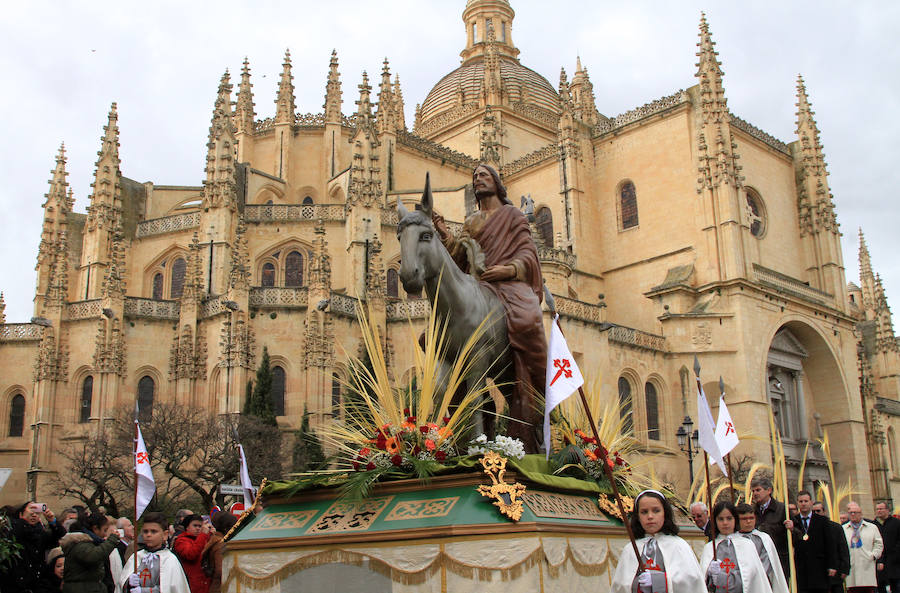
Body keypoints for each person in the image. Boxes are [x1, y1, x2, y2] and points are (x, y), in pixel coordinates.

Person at [432, 163, 547, 452]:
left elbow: (528, 254)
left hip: (509, 284)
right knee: (437, 332)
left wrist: (508, 270)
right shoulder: (472, 221)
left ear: (496, 183)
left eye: (484, 176)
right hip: (478, 286)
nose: (478, 180)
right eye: (475, 177)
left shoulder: (513, 215)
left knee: (528, 318)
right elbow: (460, 257)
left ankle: (536, 372)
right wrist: (445, 235)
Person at [611, 490, 704, 592]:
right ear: (637, 516)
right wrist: (637, 582)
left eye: (656, 511)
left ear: (665, 513)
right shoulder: (630, 549)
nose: (650, 516)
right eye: (644, 512)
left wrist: (658, 580)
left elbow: (691, 581)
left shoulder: (679, 546)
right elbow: (621, 586)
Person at [700, 501, 773, 593]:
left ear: (735, 519)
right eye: (721, 519)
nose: (725, 523)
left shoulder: (746, 544)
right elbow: (702, 584)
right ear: (715, 521)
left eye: (729, 518)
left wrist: (721, 577)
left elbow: (750, 577)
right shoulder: (710, 548)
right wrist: (710, 575)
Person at [120, 512, 190, 593]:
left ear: (165, 535)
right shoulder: (136, 557)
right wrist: (128, 582)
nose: (148, 535)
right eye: (145, 531)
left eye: (153, 531)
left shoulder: (170, 560)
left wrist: (144, 591)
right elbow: (121, 585)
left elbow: (171, 588)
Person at [9, 501, 67, 593]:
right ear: (21, 514)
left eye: (37, 513)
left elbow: (60, 535)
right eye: (31, 510)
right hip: (16, 583)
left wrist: (52, 521)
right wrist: (23, 520)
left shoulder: (40, 533)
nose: (34, 515)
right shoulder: (13, 528)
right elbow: (17, 532)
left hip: (37, 584)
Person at [788, 490, 838, 593]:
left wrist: (832, 565)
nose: (803, 504)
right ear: (797, 503)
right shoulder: (794, 521)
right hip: (801, 567)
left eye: (806, 501)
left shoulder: (822, 521)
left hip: (819, 566)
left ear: (811, 502)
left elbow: (830, 544)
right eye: (801, 501)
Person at [59, 511, 120, 593]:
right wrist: (112, 540)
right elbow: (94, 556)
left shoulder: (90, 544)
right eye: (105, 530)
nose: (105, 535)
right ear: (95, 528)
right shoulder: (80, 544)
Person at [737, 502, 789, 593]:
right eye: (744, 519)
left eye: (751, 518)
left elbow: (768, 562)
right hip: (739, 582)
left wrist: (756, 575)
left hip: (762, 582)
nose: (748, 522)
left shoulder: (763, 538)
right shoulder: (732, 540)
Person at [752, 477, 790, 577]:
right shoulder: (751, 512)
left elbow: (797, 535)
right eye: (753, 491)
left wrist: (792, 528)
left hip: (778, 559)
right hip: (758, 560)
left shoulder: (782, 509)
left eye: (758, 490)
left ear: (769, 490)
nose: (755, 493)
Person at [843, 501, 884, 593]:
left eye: (855, 512)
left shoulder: (872, 527)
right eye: (850, 513)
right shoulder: (843, 528)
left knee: (868, 589)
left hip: (867, 565)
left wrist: (873, 555)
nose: (853, 514)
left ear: (861, 514)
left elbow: (879, 544)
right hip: (851, 567)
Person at [813, 500, 850, 593]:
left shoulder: (835, 527)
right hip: (818, 573)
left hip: (835, 572)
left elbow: (843, 549)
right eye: (813, 512)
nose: (816, 514)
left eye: (818, 511)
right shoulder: (810, 528)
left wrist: (845, 569)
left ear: (824, 511)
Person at [172, 514, 212, 593]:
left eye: (200, 526)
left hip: (205, 584)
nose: (198, 528)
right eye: (195, 525)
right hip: (192, 585)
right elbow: (191, 554)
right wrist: (203, 535)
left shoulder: (203, 538)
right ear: (187, 527)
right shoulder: (181, 540)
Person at [202, 512, 237, 593]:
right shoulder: (220, 544)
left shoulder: (215, 539)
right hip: (220, 588)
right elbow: (221, 570)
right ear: (226, 528)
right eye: (233, 527)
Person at [873, 501, 899, 593]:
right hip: (879, 564)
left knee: (896, 586)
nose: (879, 511)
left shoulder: (896, 523)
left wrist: (894, 556)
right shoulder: (873, 525)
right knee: (880, 587)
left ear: (887, 510)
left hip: (894, 563)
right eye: (877, 509)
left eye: (881, 509)